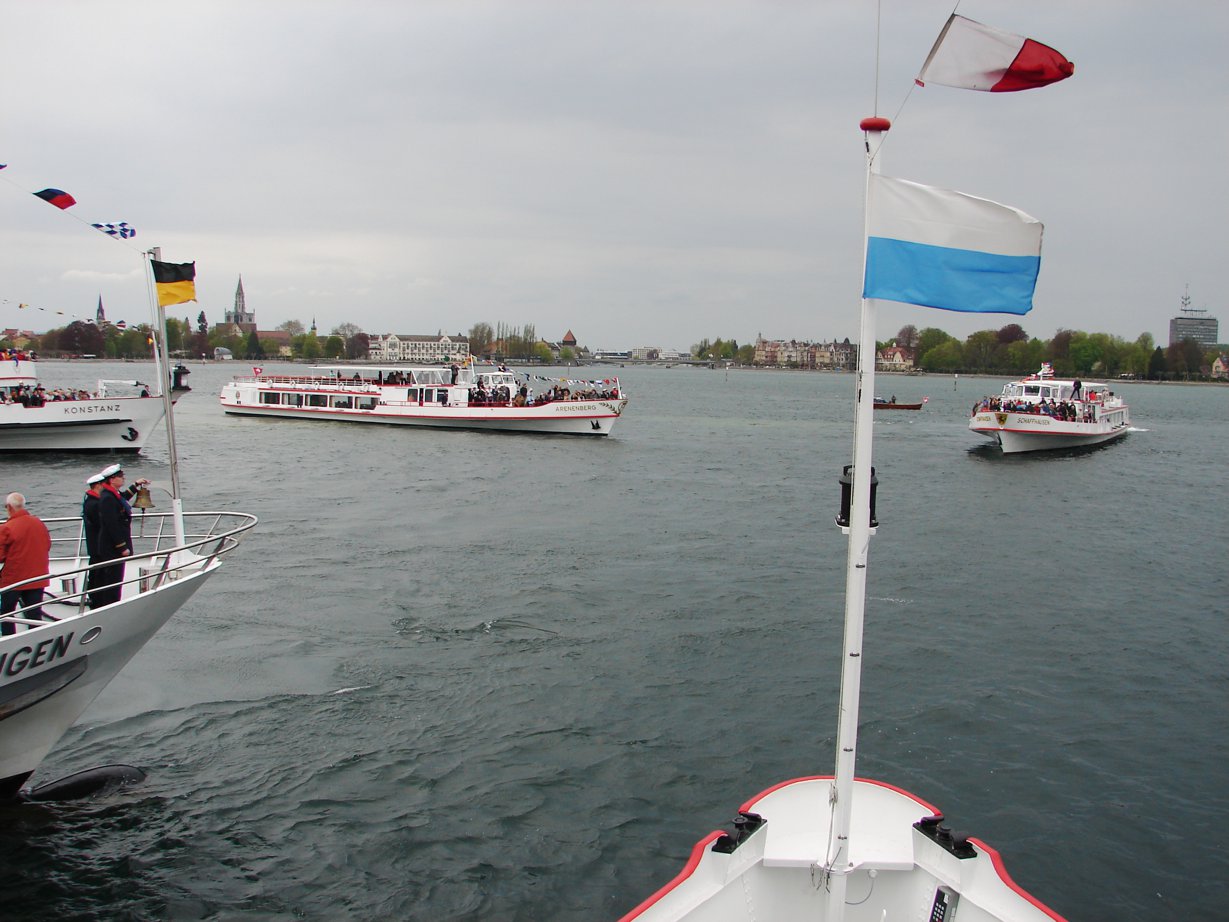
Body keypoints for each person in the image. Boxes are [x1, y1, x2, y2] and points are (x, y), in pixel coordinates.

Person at [0, 492, 52, 634]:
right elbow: (47, 545)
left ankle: (9, 640)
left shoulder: (7, 528)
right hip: (38, 577)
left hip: (14, 580)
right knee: (34, 614)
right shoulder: (38, 523)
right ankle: (37, 640)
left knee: (6, 614)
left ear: (9, 507)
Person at [92, 464, 138, 608]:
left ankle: (111, 604)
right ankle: (110, 606)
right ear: (112, 479)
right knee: (113, 581)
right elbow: (111, 524)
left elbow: (123, 498)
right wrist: (122, 547)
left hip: (113, 547)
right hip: (112, 548)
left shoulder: (113, 494)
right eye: (120, 476)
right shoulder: (107, 498)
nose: (123, 478)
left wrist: (135, 486)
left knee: (116, 579)